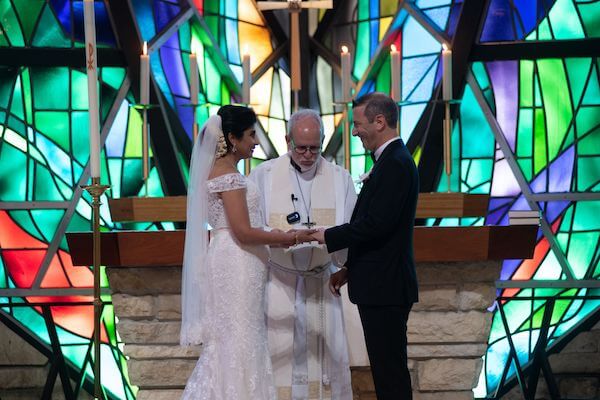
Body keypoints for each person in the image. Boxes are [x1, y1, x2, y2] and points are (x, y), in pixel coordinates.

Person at [180, 105, 315, 400]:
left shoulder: (219, 172)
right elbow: (242, 231)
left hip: (229, 255)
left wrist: (274, 233)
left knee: (232, 338)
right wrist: (287, 238)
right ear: (232, 137)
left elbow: (238, 226)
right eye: (251, 135)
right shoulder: (228, 176)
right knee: (240, 339)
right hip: (237, 260)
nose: (255, 142)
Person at [312, 92, 419, 399]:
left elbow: (377, 224)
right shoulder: (389, 160)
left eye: (359, 124)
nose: (355, 131)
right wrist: (349, 268)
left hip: (386, 286)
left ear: (380, 121)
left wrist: (328, 236)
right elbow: (380, 228)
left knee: (391, 376)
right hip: (379, 282)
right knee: (386, 372)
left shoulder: (396, 163)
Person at [249, 109, 356, 399]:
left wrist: (341, 261)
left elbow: (351, 229)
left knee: (324, 361)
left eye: (315, 148)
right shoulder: (264, 176)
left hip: (321, 281)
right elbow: (252, 227)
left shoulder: (339, 179)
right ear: (287, 140)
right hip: (278, 281)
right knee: (278, 356)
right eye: (301, 148)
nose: (309, 155)